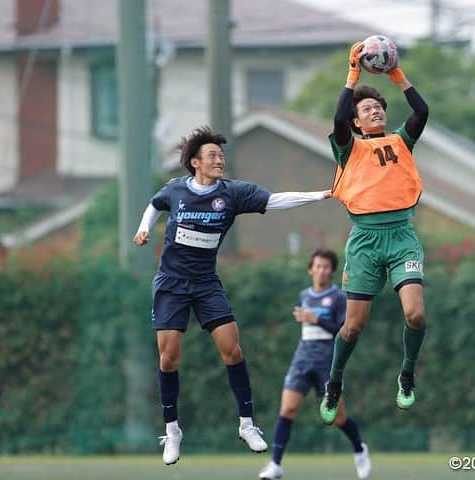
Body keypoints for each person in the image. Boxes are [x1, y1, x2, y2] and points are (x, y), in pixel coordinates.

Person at [133, 126, 331, 465]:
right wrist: (144, 228)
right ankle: (173, 430)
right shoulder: (176, 191)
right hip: (171, 284)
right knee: (168, 358)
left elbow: (274, 200)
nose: (219, 160)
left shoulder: (234, 194)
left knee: (233, 351)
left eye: (221, 155)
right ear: (195, 163)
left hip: (206, 283)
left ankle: (247, 424)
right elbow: (154, 205)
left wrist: (321, 195)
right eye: (212, 156)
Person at [319, 42, 429, 425]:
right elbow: (336, 121)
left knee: (415, 315)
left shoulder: (401, 140)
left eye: (378, 106)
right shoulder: (348, 148)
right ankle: (335, 382)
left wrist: (395, 73)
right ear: (357, 122)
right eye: (367, 109)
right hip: (365, 241)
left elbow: (422, 111)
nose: (376, 110)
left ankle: (407, 374)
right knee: (353, 326)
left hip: (401, 237)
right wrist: (353, 74)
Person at [258, 249, 371, 480]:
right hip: (302, 360)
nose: (322, 270)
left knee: (339, 418)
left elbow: (343, 332)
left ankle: (359, 450)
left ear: (332, 271)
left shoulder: (339, 298)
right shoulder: (304, 295)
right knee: (287, 410)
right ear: (311, 269)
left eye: (326, 267)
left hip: (327, 364)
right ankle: (275, 464)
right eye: (318, 266)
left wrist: (316, 319)